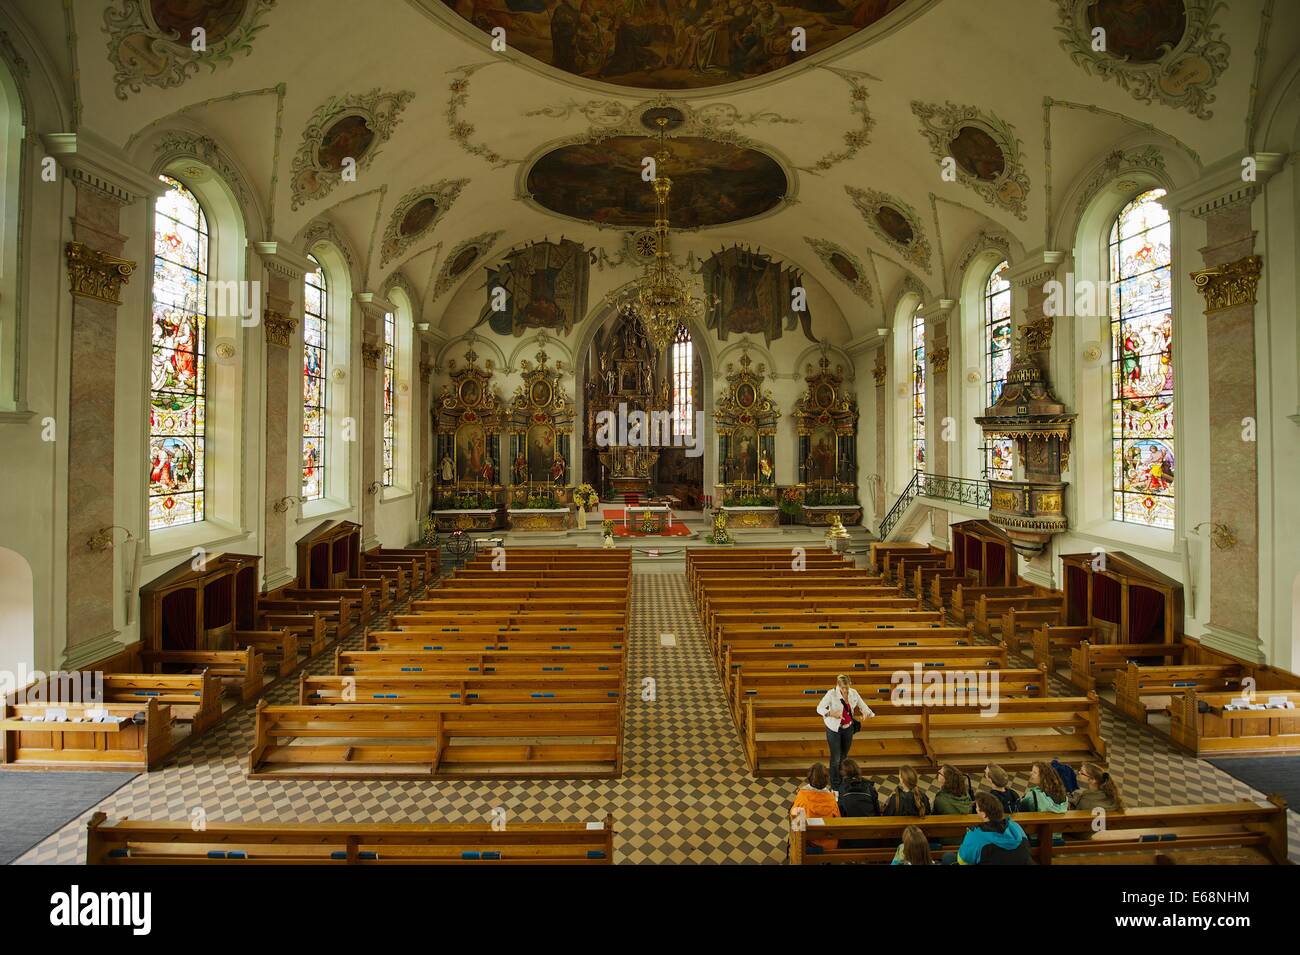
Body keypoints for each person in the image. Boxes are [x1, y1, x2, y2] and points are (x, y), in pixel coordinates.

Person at [815, 674, 875, 789]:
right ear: (838, 685)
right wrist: (831, 713)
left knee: (844, 756)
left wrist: (865, 712)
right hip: (834, 729)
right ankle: (835, 784)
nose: (845, 690)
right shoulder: (831, 694)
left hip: (848, 728)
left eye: (847, 687)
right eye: (843, 688)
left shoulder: (853, 692)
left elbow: (863, 705)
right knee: (836, 757)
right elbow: (819, 708)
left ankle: (843, 779)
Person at [949, 792, 1031, 865]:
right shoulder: (1016, 827)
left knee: (948, 857)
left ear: (984, 814)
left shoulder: (975, 835)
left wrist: (969, 839)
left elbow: (962, 861)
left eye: (977, 808)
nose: (976, 809)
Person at [790, 762, 840, 852]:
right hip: (830, 842)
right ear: (826, 780)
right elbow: (838, 819)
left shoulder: (802, 796)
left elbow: (796, 824)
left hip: (810, 844)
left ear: (809, 778)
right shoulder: (832, 798)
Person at [835, 758, 879, 849]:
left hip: (851, 836)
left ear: (843, 773)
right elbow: (877, 810)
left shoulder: (842, 789)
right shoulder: (869, 786)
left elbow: (840, 813)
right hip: (871, 833)